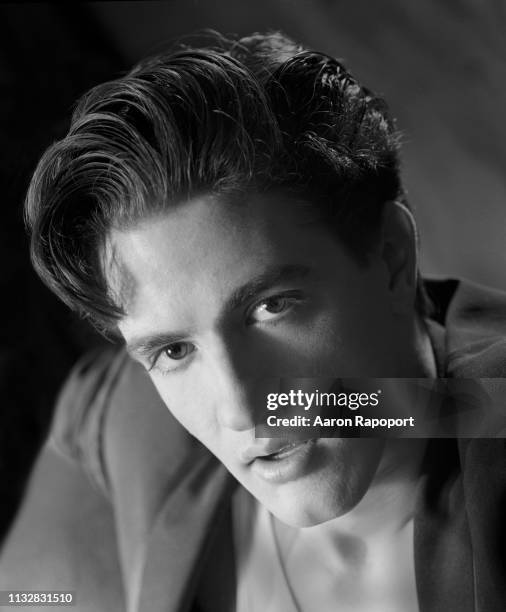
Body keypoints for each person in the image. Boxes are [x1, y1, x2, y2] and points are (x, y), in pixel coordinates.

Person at [1, 31, 505, 612]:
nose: (242, 408)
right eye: (173, 351)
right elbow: (30, 596)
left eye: (272, 306)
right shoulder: (124, 414)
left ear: (391, 256)